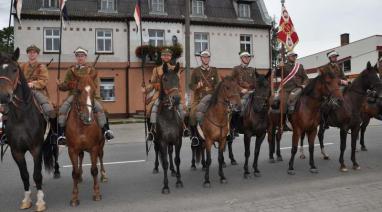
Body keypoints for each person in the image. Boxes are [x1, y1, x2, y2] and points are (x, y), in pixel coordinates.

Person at [56, 47, 114, 145]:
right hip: (74, 95)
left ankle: (106, 131)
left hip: (88, 95)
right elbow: (65, 85)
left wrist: (85, 85)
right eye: (78, 56)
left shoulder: (91, 70)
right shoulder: (71, 70)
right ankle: (61, 135)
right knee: (62, 110)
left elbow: (95, 85)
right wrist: (61, 85)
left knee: (101, 109)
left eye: (82, 56)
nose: (80, 58)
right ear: (76, 57)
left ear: (85, 57)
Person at [1, 45, 55, 145]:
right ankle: (6, 133)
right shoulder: (21, 66)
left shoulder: (41, 67)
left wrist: (32, 84)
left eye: (34, 52)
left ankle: (52, 133)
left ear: (37, 54)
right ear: (28, 54)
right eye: (30, 52)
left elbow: (44, 81)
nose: (32, 54)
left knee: (48, 109)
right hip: (22, 91)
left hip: (36, 90)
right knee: (7, 108)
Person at [142, 48, 185, 141]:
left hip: (172, 93)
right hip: (160, 94)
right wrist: (145, 89)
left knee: (182, 109)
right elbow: (152, 83)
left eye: (168, 55)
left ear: (170, 57)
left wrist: (181, 96)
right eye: (164, 55)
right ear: (161, 57)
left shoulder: (175, 69)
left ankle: (184, 128)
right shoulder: (156, 69)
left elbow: (178, 84)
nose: (166, 57)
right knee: (150, 109)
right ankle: (151, 131)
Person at [189, 50, 220, 145]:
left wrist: (215, 89)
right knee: (192, 114)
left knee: (225, 111)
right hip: (199, 98)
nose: (206, 59)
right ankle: (194, 135)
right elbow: (190, 85)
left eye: (207, 57)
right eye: (204, 57)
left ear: (209, 59)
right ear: (201, 58)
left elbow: (218, 84)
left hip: (212, 98)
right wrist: (197, 86)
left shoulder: (214, 70)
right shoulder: (195, 71)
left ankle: (225, 134)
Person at [230, 51, 257, 135]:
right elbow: (231, 82)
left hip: (251, 93)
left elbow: (255, 82)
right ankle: (234, 128)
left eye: (248, 57)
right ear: (241, 58)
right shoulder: (236, 69)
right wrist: (241, 89)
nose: (247, 58)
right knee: (237, 107)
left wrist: (253, 88)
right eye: (245, 57)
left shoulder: (252, 70)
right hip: (239, 94)